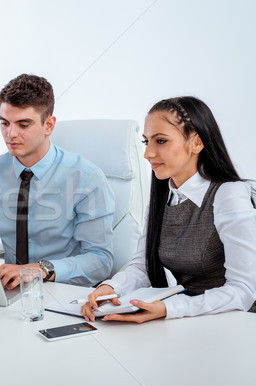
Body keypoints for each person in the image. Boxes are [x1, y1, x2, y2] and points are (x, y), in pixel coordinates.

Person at [81, 96, 256, 323]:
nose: (148, 153)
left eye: (161, 141)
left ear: (197, 143)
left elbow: (243, 290)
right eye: (146, 142)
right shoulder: (164, 198)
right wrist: (110, 288)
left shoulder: (228, 195)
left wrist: (169, 308)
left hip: (235, 323)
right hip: (187, 320)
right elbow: (143, 267)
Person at [0, 74, 115, 289]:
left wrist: (38, 269)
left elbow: (100, 261)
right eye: (5, 123)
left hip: (64, 291)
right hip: (11, 292)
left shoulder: (86, 177)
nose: (11, 134)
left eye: (23, 124)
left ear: (49, 125)